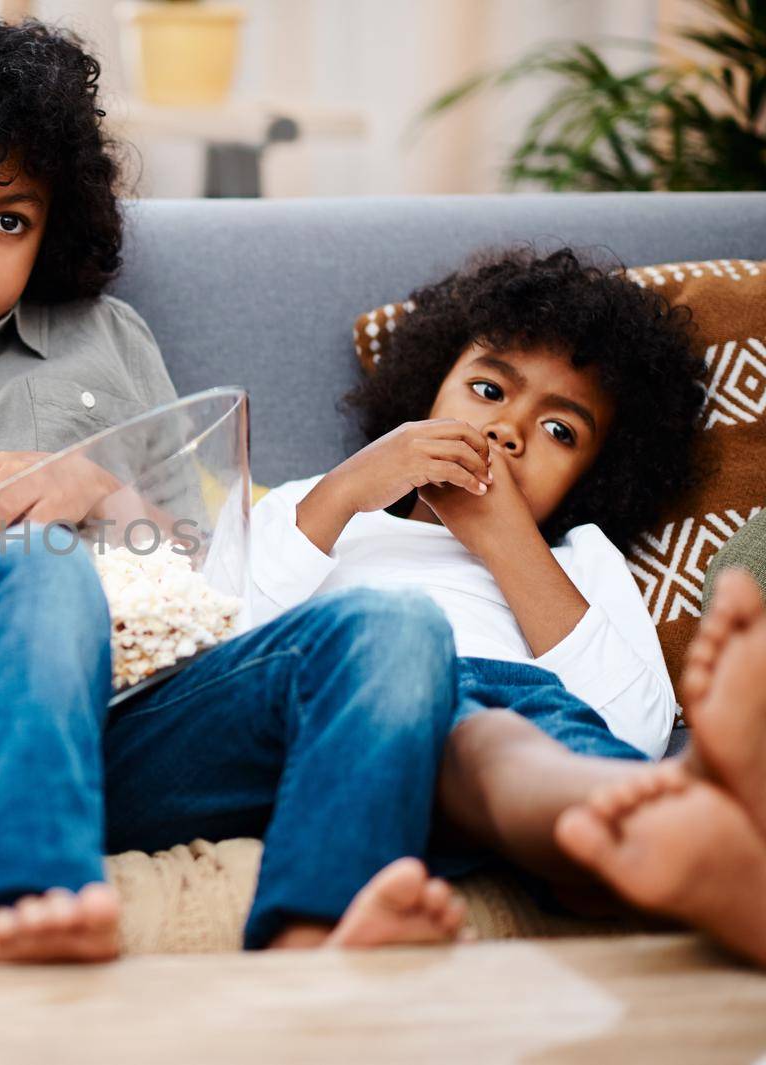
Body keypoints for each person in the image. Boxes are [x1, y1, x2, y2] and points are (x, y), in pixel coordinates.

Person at [0, 16, 470, 964]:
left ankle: (315, 934)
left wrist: (101, 487)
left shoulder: (108, 340)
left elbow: (209, 570)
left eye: (8, 219)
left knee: (394, 626)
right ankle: (34, 893)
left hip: (132, 719)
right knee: (39, 569)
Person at [251, 247, 766, 965]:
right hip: (336, 700)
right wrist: (346, 488)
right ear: (429, 388)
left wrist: (508, 541)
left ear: (598, 476)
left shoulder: (579, 558)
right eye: (489, 390)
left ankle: (650, 825)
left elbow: (633, 719)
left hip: (493, 725)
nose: (508, 431)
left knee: (513, 735)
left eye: (561, 431)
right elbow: (222, 635)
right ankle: (633, 832)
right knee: (436, 682)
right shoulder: (316, 506)